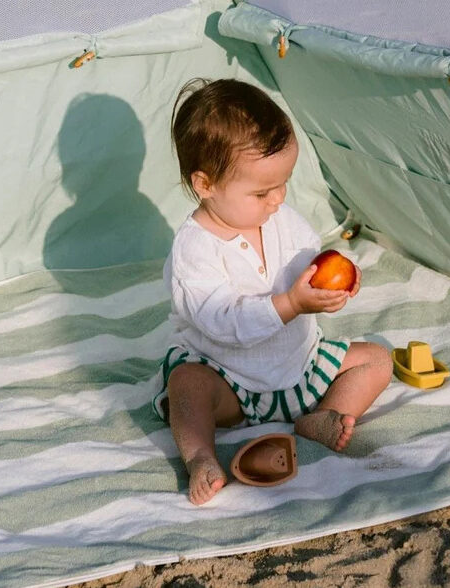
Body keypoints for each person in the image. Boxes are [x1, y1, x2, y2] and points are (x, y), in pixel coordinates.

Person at [153, 77, 393, 505]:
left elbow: (311, 268)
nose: (278, 198)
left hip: (299, 367)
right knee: (185, 386)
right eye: (262, 191)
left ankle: (318, 417)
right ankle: (201, 458)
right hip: (230, 380)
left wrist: (333, 284)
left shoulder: (282, 219)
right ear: (206, 185)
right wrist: (290, 304)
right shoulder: (195, 248)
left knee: (376, 359)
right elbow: (223, 321)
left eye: (284, 183)